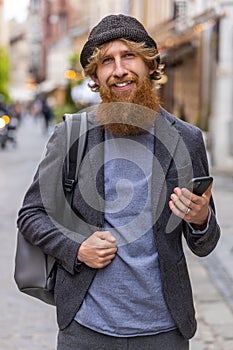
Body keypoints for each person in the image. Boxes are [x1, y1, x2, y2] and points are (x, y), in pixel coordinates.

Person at [17, 14, 220, 350]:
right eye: (106, 61)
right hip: (85, 329)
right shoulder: (72, 136)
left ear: (149, 65)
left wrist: (200, 219)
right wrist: (77, 248)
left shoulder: (186, 139)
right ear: (96, 76)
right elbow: (31, 215)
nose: (119, 69)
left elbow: (205, 243)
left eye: (129, 56)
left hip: (164, 332)